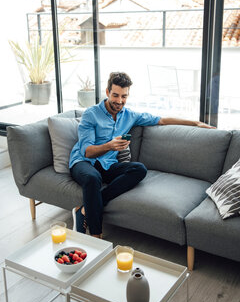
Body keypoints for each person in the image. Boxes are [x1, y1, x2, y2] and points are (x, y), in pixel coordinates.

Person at [69, 72, 214, 238]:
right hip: (83, 162)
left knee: (139, 169)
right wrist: (110, 146)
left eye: (124, 96)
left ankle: (86, 209)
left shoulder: (130, 116)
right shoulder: (91, 114)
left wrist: (195, 123)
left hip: (107, 165)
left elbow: (162, 120)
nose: (119, 101)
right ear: (108, 92)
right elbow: (87, 151)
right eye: (115, 95)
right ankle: (96, 235)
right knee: (92, 178)